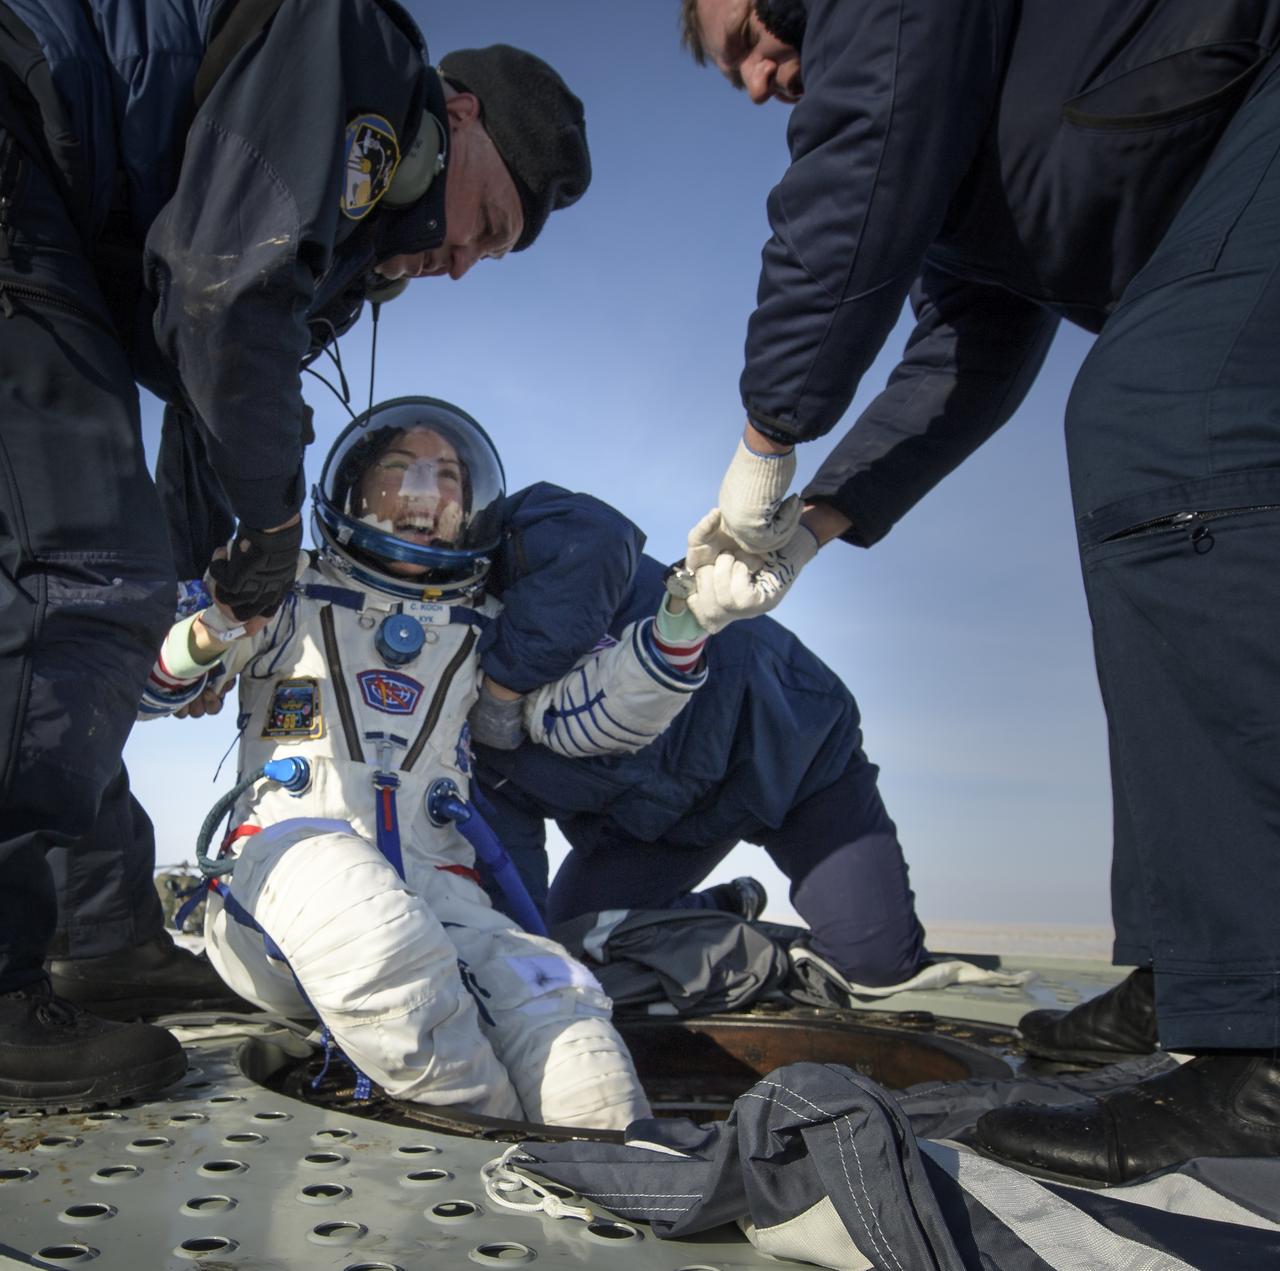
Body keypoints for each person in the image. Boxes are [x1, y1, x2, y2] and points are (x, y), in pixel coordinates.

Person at [676, 0, 1280, 1182]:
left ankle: (1261, 1035)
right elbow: (970, 346)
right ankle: (1191, 971)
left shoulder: (890, 35)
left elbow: (860, 162)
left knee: (1165, 434)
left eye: (746, 32)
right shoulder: (969, 157)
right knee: (1143, 430)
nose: (751, 81)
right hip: (1213, 174)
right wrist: (809, 527)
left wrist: (766, 435)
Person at [0, 0, 591, 1113]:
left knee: (107, 597)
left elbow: (202, 390)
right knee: (73, 575)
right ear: (454, 119)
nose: (465, 259)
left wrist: (195, 589)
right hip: (21, 136)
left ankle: (98, 934)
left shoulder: (353, 253)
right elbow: (222, 293)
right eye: (488, 219)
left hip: (56, 208)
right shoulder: (361, 58)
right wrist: (268, 533)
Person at [135, 396, 732, 1127]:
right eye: (401, 469)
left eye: (448, 475)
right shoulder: (285, 591)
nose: (428, 491)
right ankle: (488, 1138)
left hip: (438, 891)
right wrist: (216, 623)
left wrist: (685, 620)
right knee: (367, 918)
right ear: (356, 489)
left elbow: (584, 718)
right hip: (281, 881)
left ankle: (614, 1174)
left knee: (563, 1013)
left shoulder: (484, 627)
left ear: (471, 506)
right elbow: (151, 684)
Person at [474, 551, 928, 997]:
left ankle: (825, 952)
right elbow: (513, 894)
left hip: (791, 757)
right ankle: (730, 910)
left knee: (876, 967)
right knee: (571, 951)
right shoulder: (455, 736)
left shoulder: (542, 544)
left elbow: (596, 542)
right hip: (656, 828)